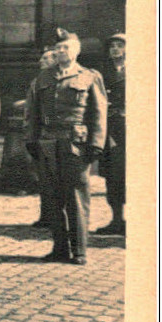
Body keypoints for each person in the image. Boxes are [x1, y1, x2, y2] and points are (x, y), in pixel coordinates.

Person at [24, 28, 108, 264]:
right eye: (58, 48)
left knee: (77, 197)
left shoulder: (90, 77)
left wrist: (96, 144)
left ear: (76, 50)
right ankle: (59, 248)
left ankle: (79, 249)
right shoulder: (42, 78)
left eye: (66, 47)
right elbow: (32, 113)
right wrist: (31, 140)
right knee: (52, 198)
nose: (61, 51)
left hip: (76, 145)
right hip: (48, 143)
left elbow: (99, 114)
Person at [94, 33, 126, 236]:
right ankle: (117, 219)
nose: (115, 49)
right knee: (112, 176)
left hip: (131, 130)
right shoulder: (102, 73)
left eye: (120, 45)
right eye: (112, 46)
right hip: (110, 129)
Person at [30, 46, 58, 228]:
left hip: (53, 134)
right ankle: (46, 214)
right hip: (40, 134)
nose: (41, 62)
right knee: (43, 177)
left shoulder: (57, 80)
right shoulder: (38, 80)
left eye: (46, 59)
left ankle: (54, 215)